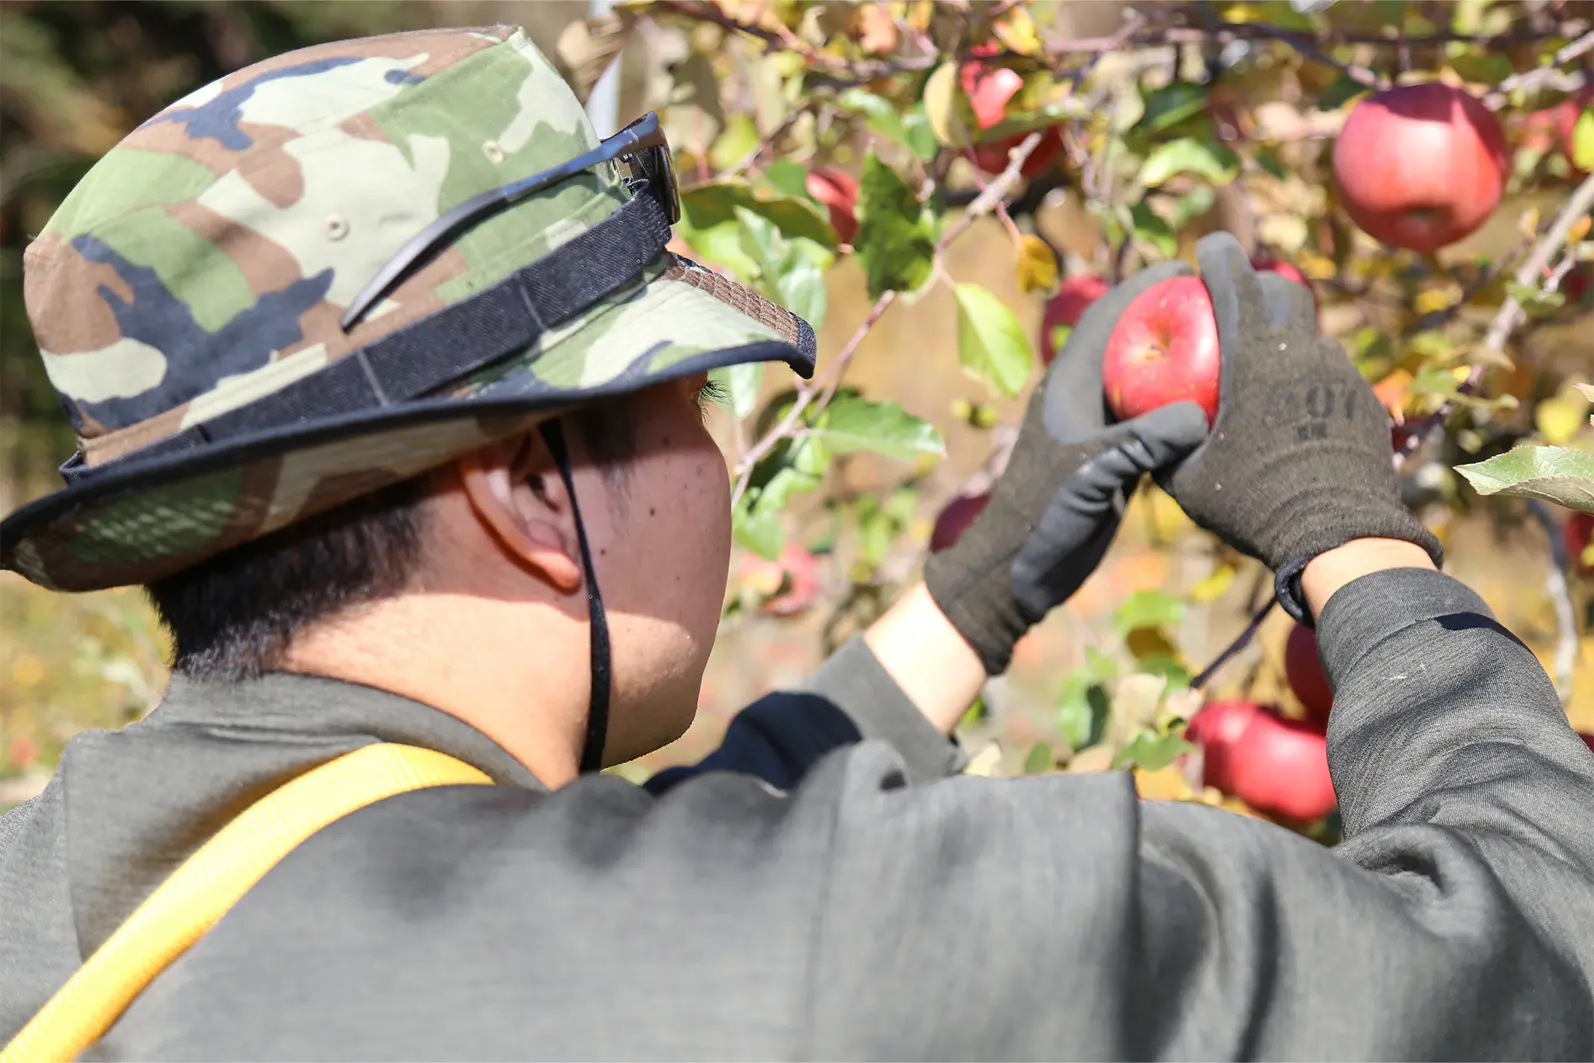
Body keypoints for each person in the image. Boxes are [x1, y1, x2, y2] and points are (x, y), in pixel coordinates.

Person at [2, 24, 1591, 1061]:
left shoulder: (50, 897)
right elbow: (1527, 954)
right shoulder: (849, 957)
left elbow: (605, 882)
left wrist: (975, 596)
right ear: (522, 490)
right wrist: (1354, 539)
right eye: (678, 400)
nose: (713, 458)